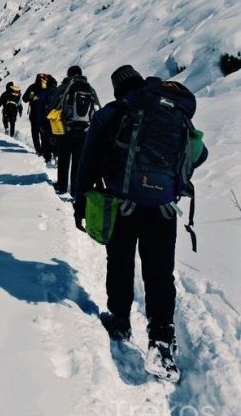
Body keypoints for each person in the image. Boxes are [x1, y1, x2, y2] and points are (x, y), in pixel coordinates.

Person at [74, 65, 208, 381]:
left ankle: (120, 320)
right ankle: (161, 341)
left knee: (120, 261)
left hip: (122, 204)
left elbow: (88, 159)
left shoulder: (113, 113)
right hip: (163, 208)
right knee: (159, 272)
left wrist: (81, 203)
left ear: (118, 88)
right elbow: (200, 154)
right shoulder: (174, 113)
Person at [50, 65, 100, 195]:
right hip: (84, 131)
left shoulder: (64, 87)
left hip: (66, 129)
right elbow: (97, 108)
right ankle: (75, 190)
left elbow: (53, 107)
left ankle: (62, 187)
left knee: (64, 159)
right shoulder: (89, 88)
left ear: (68, 74)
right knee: (78, 161)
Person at [23, 73, 57, 162]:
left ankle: (39, 151)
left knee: (35, 132)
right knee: (45, 134)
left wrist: (32, 96)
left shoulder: (32, 87)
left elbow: (24, 99)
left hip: (34, 114)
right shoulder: (47, 87)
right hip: (46, 114)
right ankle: (46, 152)